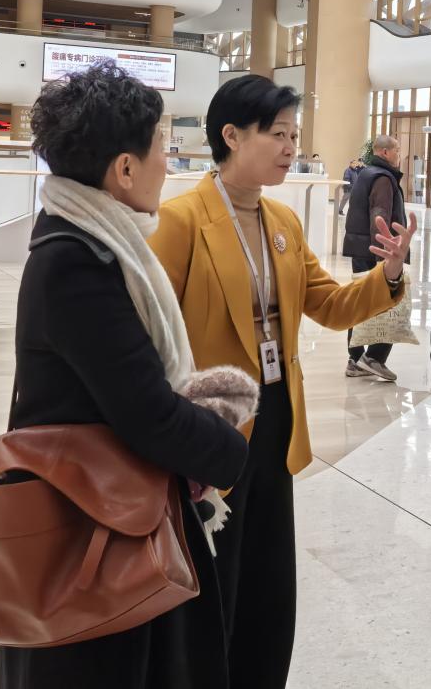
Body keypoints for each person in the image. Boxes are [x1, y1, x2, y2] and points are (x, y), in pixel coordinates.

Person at [150, 75, 416, 689]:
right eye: (277, 133)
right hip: (210, 427)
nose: (291, 146)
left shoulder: (282, 221)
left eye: (294, 134)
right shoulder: (179, 221)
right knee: (213, 574)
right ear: (230, 135)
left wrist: (388, 275)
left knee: (268, 579)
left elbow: (330, 306)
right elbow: (154, 337)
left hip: (275, 420)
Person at [0, 63, 251, 688]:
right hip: (91, 543)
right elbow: (147, 413)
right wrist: (230, 448)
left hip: (107, 521)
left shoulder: (91, 241)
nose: (169, 162)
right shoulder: (77, 262)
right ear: (125, 170)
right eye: (162, 147)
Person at [343, 134, 408, 382]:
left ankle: (355, 358)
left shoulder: (367, 173)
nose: (399, 154)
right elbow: (379, 217)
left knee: (361, 301)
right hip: (376, 251)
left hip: (361, 249)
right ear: (385, 152)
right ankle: (374, 357)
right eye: (397, 150)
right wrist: (384, 255)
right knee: (390, 301)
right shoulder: (383, 178)